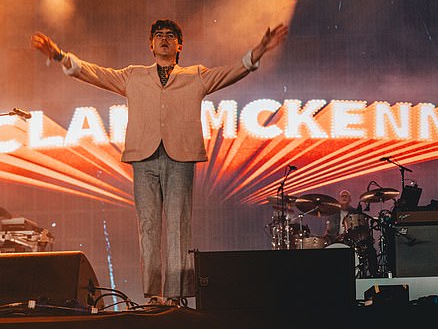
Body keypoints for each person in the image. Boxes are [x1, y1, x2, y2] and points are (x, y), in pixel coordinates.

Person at [31, 19, 288, 306]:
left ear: (180, 45)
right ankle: (153, 295)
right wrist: (58, 55)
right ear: (150, 44)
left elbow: (231, 72)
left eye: (170, 36)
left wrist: (260, 49)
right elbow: (94, 73)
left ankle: (175, 295)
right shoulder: (133, 75)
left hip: (180, 157)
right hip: (144, 156)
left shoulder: (195, 75)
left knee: (178, 225)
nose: (164, 39)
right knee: (149, 228)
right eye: (158, 35)